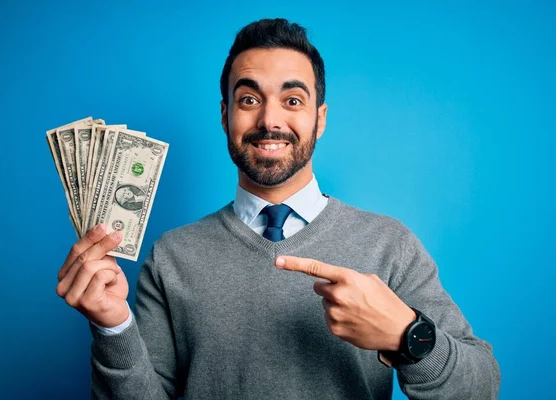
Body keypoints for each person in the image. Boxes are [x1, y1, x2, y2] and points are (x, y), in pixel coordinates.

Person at [56, 18, 501, 399]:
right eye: (249, 100)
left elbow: (482, 387)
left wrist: (406, 335)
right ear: (225, 114)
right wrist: (113, 326)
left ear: (319, 119)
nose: (270, 120)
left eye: (292, 100)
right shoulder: (172, 257)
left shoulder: (390, 245)